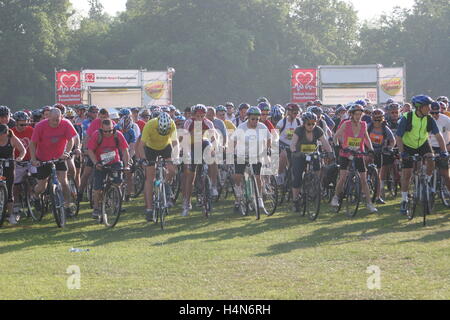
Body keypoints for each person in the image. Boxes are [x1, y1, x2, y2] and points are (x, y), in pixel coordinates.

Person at [396, 95, 448, 214]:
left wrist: (444, 151)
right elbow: (398, 136)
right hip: (408, 146)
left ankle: (427, 180)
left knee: (431, 159)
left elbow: (438, 136)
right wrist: (402, 153)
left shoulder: (429, 118)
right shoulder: (407, 117)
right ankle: (404, 200)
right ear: (419, 107)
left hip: (423, 144)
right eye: (427, 106)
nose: (430, 109)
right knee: (407, 174)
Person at [30, 108, 78, 217]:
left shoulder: (66, 124)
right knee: (42, 186)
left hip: (59, 158)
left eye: (58, 119)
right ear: (48, 118)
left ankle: (67, 206)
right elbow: (32, 144)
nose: (56, 122)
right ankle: (35, 196)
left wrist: (67, 152)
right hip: (43, 158)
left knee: (64, 182)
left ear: (61, 117)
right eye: (53, 120)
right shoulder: (40, 126)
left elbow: (71, 140)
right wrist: (33, 159)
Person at [332, 104, 378, 213]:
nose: (358, 116)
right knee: (343, 177)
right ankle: (335, 197)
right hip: (345, 153)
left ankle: (369, 203)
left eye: (360, 114)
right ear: (351, 115)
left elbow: (366, 138)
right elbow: (336, 136)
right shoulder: (346, 124)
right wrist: (338, 146)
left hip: (358, 153)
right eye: (356, 114)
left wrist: (370, 149)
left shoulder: (363, 124)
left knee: (363, 179)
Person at [231, 107, 271, 215]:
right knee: (238, 176)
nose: (255, 121)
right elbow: (234, 141)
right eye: (253, 119)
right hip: (241, 154)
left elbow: (268, 139)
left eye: (257, 119)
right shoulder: (242, 127)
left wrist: (267, 150)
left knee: (258, 177)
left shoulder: (262, 127)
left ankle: (259, 198)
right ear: (248, 118)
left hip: (256, 155)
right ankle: (238, 195)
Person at [290, 112, 333, 212]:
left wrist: (330, 152)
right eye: (308, 124)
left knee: (318, 169)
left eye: (313, 123)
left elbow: (325, 143)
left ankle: (315, 185)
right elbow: (292, 144)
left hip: (313, 154)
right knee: (297, 177)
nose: (311, 126)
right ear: (304, 123)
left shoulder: (318, 130)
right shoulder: (299, 130)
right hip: (299, 155)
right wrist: (295, 151)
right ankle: (295, 200)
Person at [87, 119, 130, 219]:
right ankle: (96, 208)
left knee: (117, 182)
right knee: (98, 188)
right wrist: (96, 163)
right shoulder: (97, 135)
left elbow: (125, 150)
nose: (108, 133)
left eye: (110, 130)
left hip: (115, 161)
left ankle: (117, 202)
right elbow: (90, 151)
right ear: (101, 129)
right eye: (106, 131)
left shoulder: (117, 135)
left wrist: (126, 165)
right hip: (100, 163)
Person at [140, 112, 177, 221]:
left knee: (172, 170)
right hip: (151, 148)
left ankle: (165, 186)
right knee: (150, 179)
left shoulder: (172, 124)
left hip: (166, 147)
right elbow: (142, 146)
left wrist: (176, 155)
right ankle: (149, 209)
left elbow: (175, 142)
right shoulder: (150, 125)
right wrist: (143, 159)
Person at [181, 104, 216, 216]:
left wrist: (215, 149)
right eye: (197, 116)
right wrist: (184, 151)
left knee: (212, 155)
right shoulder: (188, 122)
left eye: (202, 116)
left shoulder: (208, 123)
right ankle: (187, 202)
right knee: (191, 175)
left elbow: (213, 138)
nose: (200, 118)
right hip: (191, 146)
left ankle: (212, 185)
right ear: (193, 115)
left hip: (204, 144)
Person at [367, 109, 396, 204]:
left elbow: (392, 141)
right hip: (368, 151)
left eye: (379, 119)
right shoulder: (368, 127)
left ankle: (378, 196)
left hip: (380, 152)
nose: (377, 122)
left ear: (383, 119)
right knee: (364, 170)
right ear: (372, 119)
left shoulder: (385, 129)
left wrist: (389, 147)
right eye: (375, 119)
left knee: (378, 175)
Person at [0, 124, 26, 224]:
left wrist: (20, 158)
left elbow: (22, 150)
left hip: (9, 166)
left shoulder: (12, 139)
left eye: (2, 134)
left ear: (6, 133)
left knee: (9, 189)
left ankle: (10, 215)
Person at [276, 103, 302, 185]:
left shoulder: (299, 122)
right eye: (294, 112)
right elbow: (275, 134)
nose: (296, 114)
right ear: (289, 112)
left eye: (297, 112)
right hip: (282, 143)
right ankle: (280, 175)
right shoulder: (282, 122)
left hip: (294, 145)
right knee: (283, 155)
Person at [428, 101, 450, 194]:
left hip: (444, 146)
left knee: (445, 173)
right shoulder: (425, 120)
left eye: (436, 113)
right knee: (428, 170)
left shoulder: (446, 119)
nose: (434, 115)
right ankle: (428, 189)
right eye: (432, 113)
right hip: (430, 147)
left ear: (440, 111)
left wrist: (448, 146)